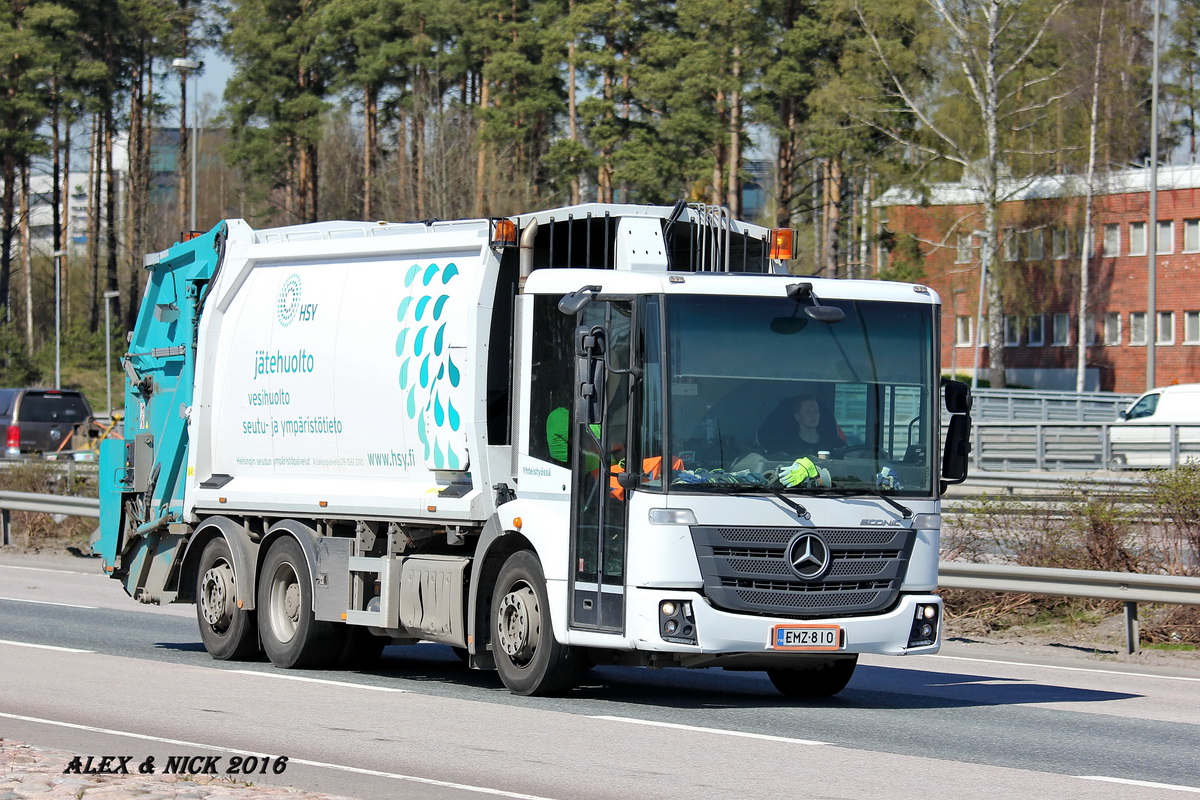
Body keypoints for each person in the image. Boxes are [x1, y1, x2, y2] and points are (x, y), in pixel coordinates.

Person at [759, 393, 846, 455]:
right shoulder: (786, 446)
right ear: (797, 417)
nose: (813, 415)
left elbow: (849, 454)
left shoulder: (832, 442)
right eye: (808, 412)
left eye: (816, 411)